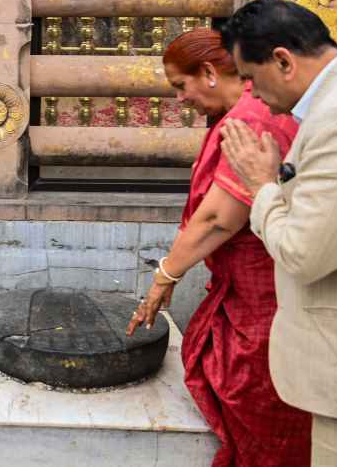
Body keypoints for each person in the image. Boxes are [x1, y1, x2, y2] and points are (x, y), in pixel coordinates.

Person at [219, 0, 337, 467]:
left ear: (283, 60)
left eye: (251, 79)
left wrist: (261, 188)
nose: (251, 95)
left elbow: (304, 252)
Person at [126, 28, 311, 466]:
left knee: (261, 402)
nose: (179, 100)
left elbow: (217, 218)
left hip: (264, 295)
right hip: (259, 287)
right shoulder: (252, 110)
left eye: (180, 86)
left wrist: (163, 279)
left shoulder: (250, 120)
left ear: (209, 72)